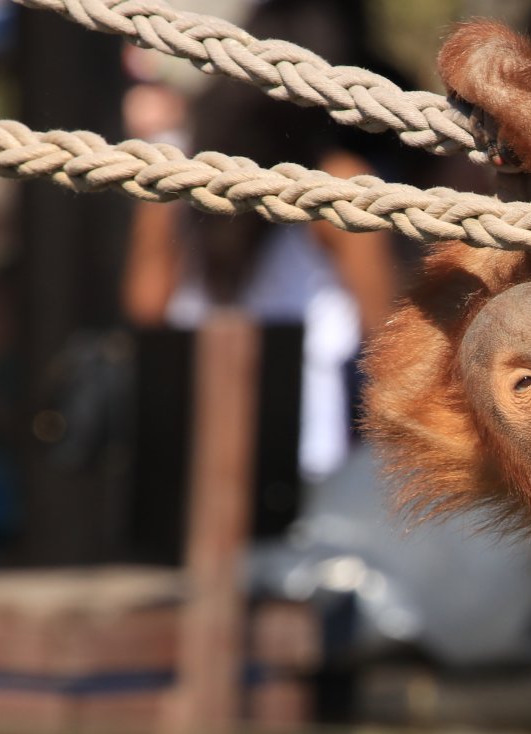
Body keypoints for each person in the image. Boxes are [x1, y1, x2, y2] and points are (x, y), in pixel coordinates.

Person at [121, 0, 401, 484]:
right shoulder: (339, 184)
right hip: (307, 461)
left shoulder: (178, 166)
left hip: (195, 444)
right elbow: (388, 336)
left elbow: (147, 308)